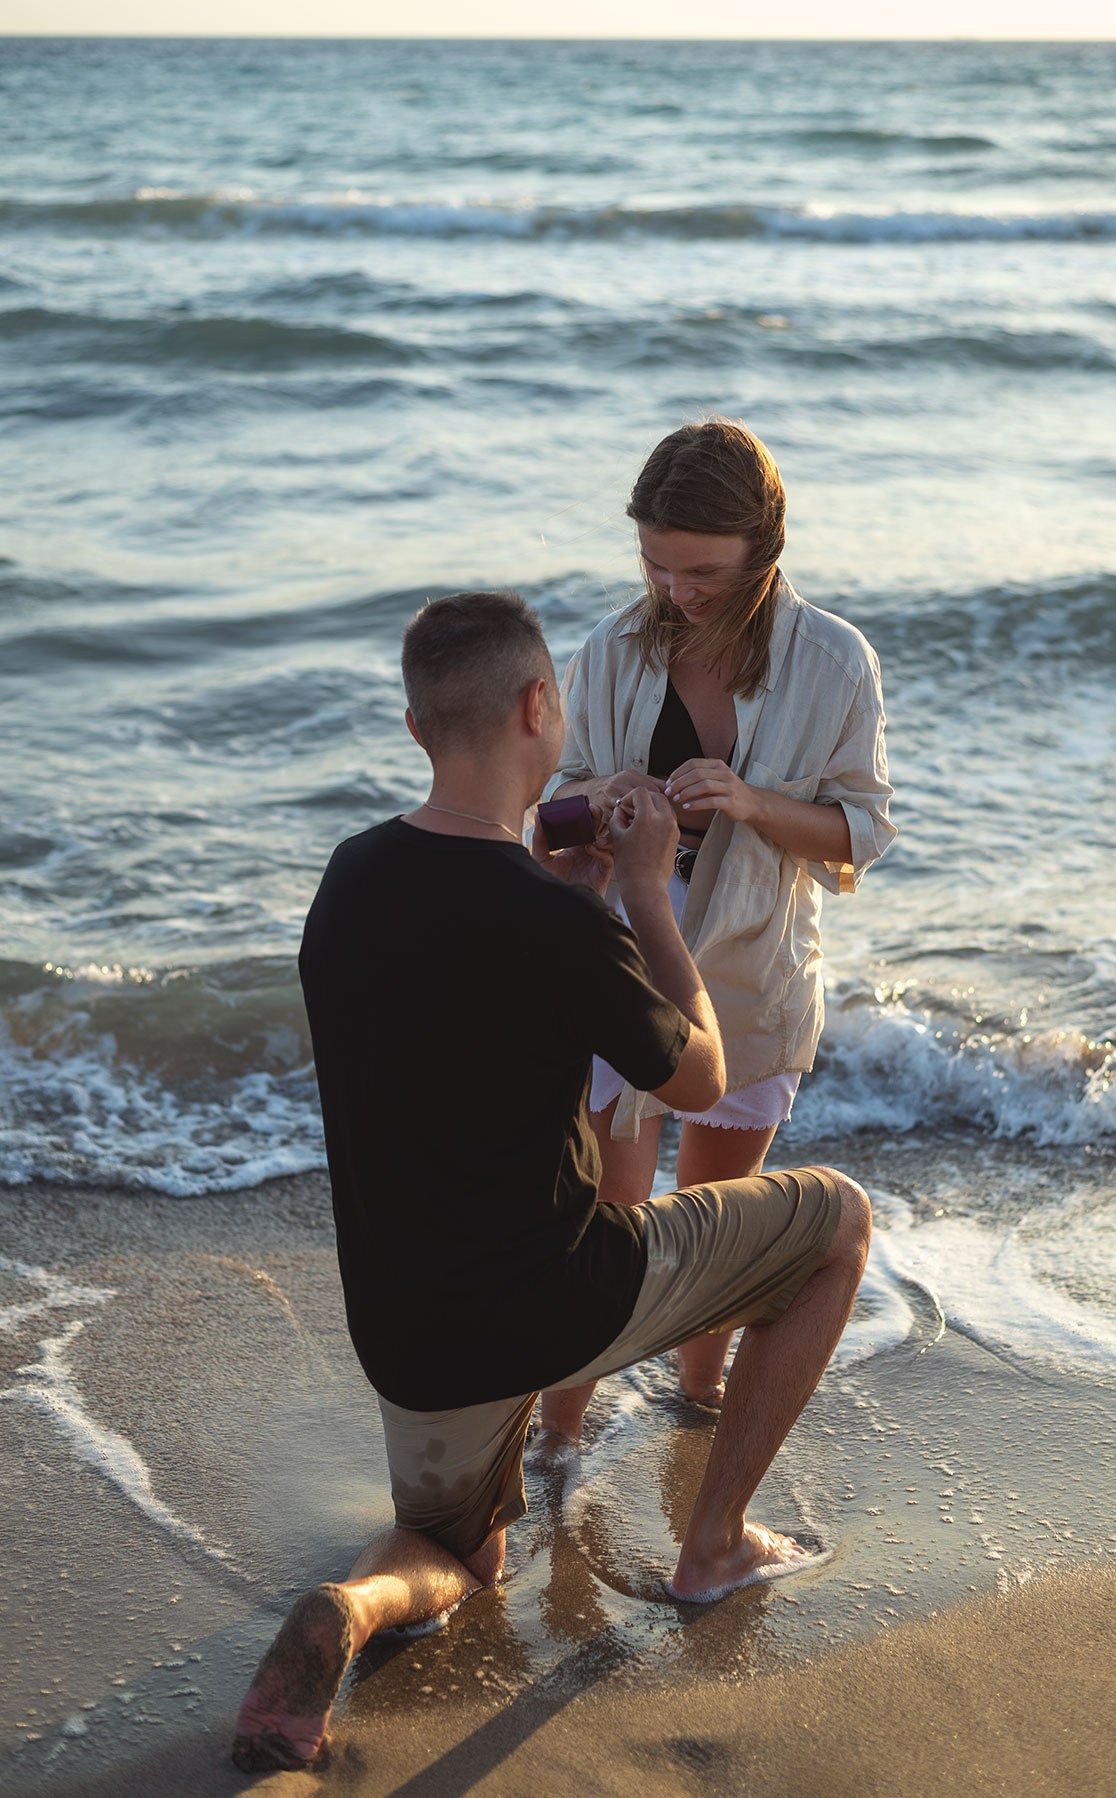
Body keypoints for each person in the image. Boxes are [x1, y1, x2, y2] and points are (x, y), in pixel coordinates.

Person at [231, 590, 871, 1775]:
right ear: (540, 707)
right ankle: (715, 1544)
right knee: (838, 1223)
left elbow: (462, 1028)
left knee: (456, 1557)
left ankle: (354, 1606)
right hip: (557, 1297)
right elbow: (705, 1077)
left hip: (410, 1325)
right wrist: (636, 899)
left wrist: (572, 912)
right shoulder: (558, 925)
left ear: (418, 727)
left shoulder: (349, 878)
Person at [535, 419, 894, 1450]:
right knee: (602, 1222)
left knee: (718, 1225)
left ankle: (695, 1412)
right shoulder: (611, 645)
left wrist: (749, 800)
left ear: (762, 549)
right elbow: (547, 815)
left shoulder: (834, 661)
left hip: (751, 977)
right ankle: (561, 1430)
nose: (675, 588)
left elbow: (860, 829)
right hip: (617, 968)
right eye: (655, 561)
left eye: (702, 569)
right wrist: (599, 793)